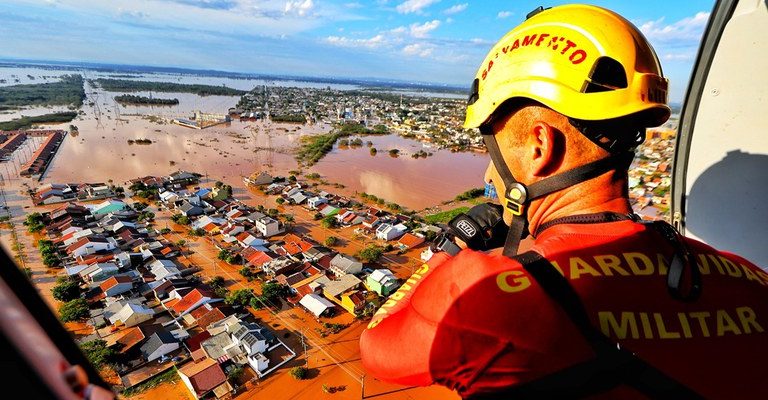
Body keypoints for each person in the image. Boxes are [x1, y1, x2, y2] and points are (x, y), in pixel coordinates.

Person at [359, 4, 768, 399]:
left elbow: (376, 344)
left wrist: (454, 247)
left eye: (493, 154)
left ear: (540, 146)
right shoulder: (748, 277)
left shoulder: (481, 295)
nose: (487, 176)